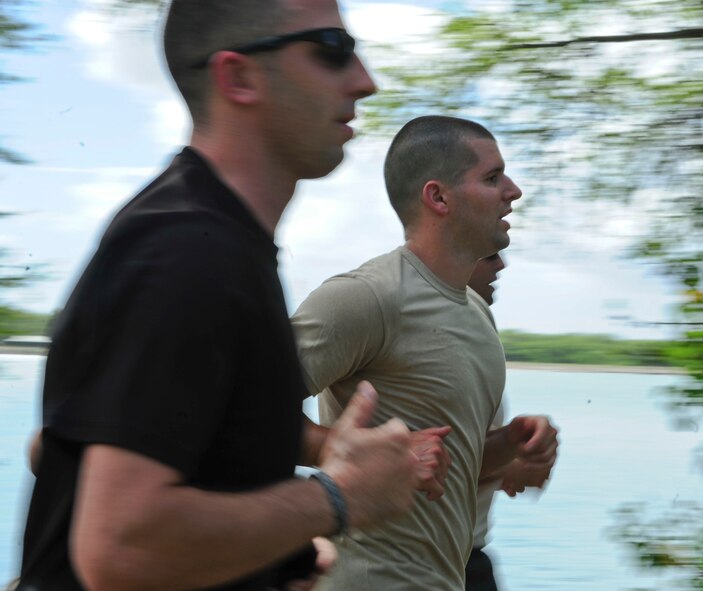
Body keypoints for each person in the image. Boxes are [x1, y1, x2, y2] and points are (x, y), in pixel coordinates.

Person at [14, 1, 423, 590]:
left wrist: (287, 563)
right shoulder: (186, 253)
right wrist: (339, 498)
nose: (365, 80)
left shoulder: (218, 244)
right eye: (332, 49)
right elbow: (120, 547)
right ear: (238, 77)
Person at [291, 115, 560, 591]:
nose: (513, 191)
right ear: (438, 197)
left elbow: (451, 466)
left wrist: (509, 447)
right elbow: (238, 416)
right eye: (493, 177)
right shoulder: (365, 298)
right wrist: (332, 447)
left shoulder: (477, 313)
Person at [465, 252, 559, 591]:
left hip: (469, 561)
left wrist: (518, 455)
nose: (501, 265)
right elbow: (424, 459)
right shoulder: (390, 309)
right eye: (488, 255)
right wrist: (508, 463)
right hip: (418, 565)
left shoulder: (474, 326)